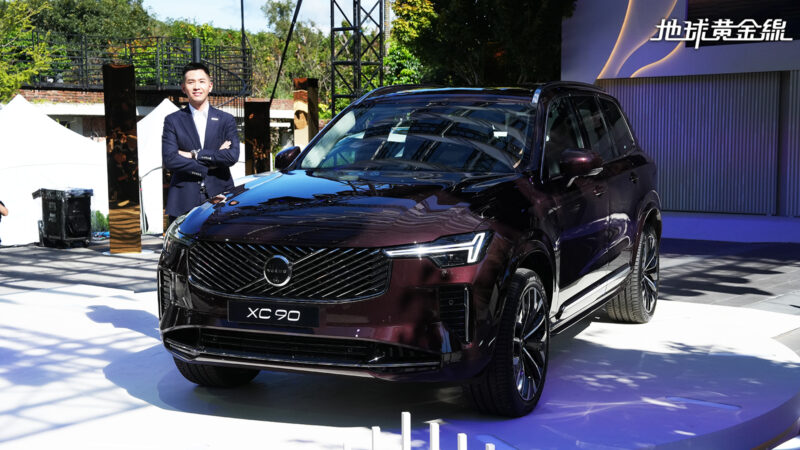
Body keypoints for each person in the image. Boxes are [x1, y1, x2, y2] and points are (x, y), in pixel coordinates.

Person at [162, 62, 240, 225]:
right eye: (191, 82)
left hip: (221, 196)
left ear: (210, 86)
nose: (197, 87)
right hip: (183, 199)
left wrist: (194, 154)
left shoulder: (226, 120)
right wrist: (209, 164)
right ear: (183, 88)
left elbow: (231, 156)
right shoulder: (173, 121)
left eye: (201, 81)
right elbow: (170, 159)